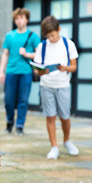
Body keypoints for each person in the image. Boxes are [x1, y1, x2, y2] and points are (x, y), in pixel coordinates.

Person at [33, 15, 79, 160]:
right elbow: (37, 70)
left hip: (63, 85)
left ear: (59, 29)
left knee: (65, 117)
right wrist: (42, 71)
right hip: (46, 85)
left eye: (52, 35)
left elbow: (74, 67)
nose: (50, 38)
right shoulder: (42, 46)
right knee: (50, 117)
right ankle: (54, 146)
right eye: (48, 36)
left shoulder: (68, 44)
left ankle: (67, 140)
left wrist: (66, 68)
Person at [0, 8, 41, 135]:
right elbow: (5, 54)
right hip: (11, 71)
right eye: (16, 18)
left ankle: (20, 126)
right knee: (9, 100)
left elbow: (39, 54)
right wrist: (1, 71)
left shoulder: (33, 36)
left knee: (23, 100)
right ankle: (10, 121)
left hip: (26, 72)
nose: (19, 20)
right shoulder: (9, 35)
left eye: (21, 18)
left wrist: (27, 54)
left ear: (26, 19)